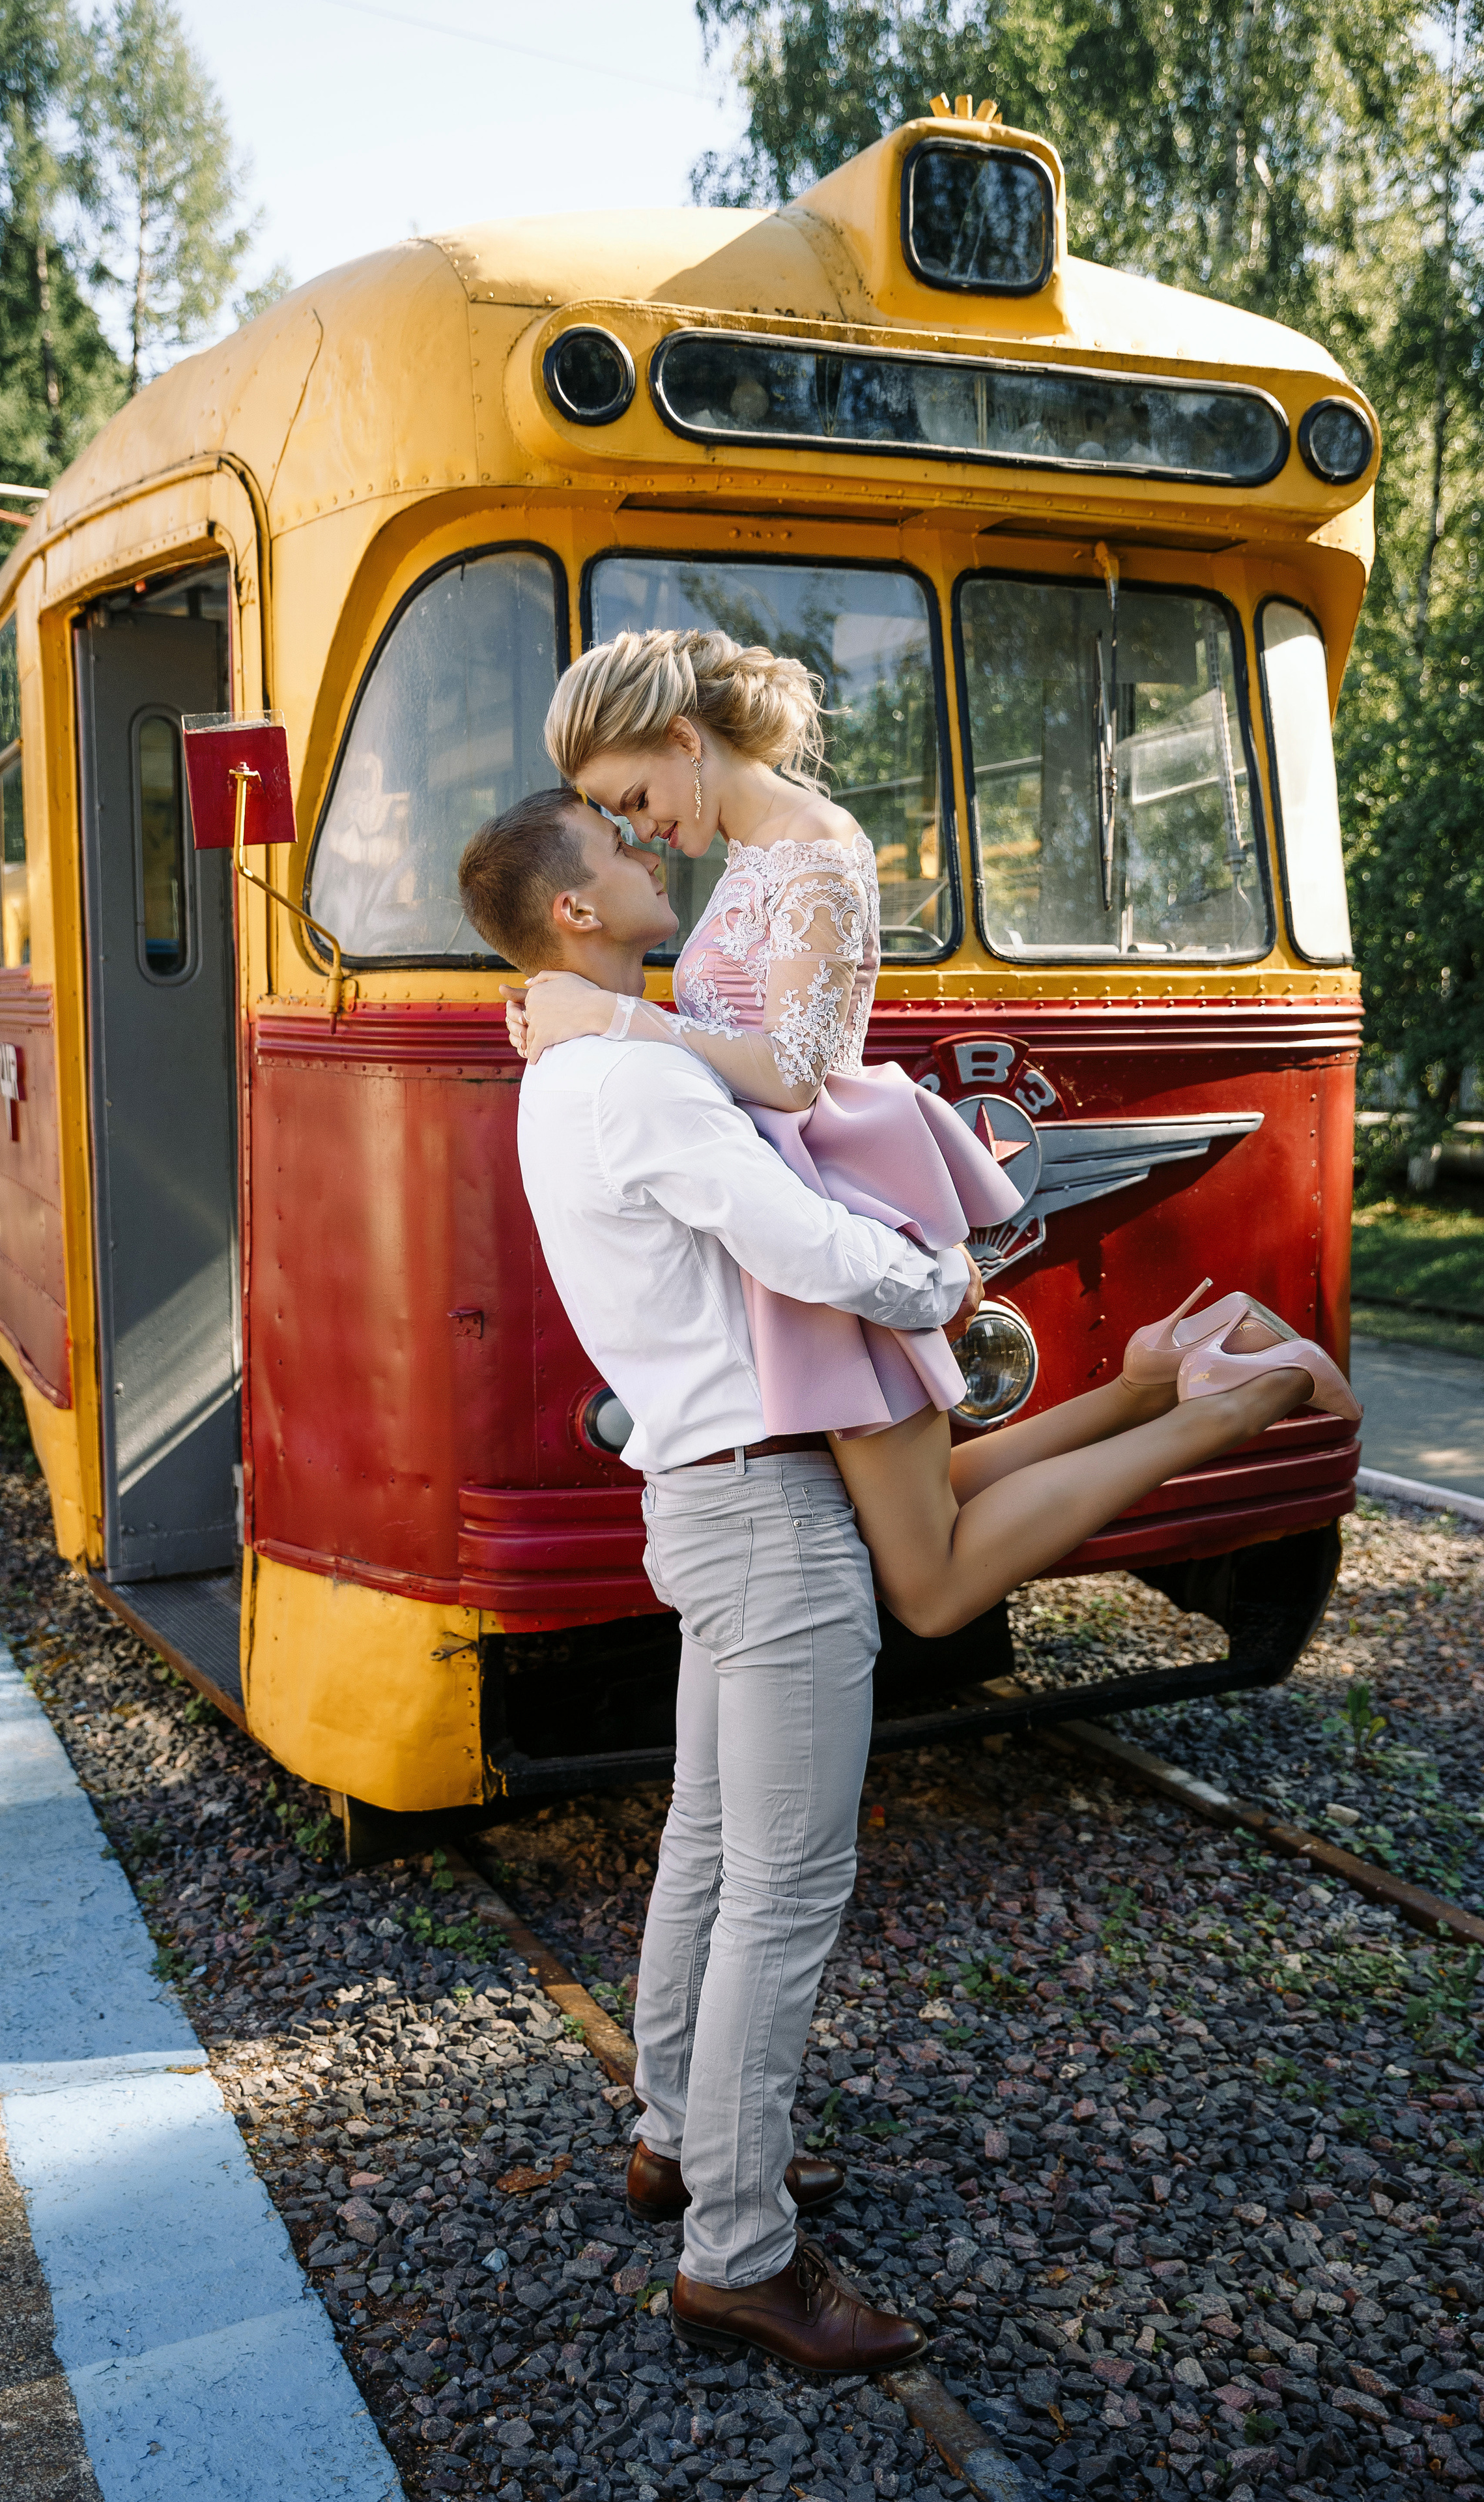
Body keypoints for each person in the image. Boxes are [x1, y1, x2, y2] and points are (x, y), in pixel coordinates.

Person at [456, 784, 1352, 2378]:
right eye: (618, 851)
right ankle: (739, 2257)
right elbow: (797, 1241)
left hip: (711, 1493)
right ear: (573, 911)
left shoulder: (578, 1071)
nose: (648, 851)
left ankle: (679, 2137)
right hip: (761, 1509)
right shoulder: (625, 1084)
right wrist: (941, 1275)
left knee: (713, 1848)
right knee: (781, 1890)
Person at [515, 624, 1359, 1637]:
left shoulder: (815, 850)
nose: (640, 830)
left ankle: (1242, 1398)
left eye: (636, 799)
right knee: (924, 1515)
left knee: (931, 1586)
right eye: (618, 818)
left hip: (840, 1214)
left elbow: (793, 1073)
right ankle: (1163, 1373)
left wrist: (616, 1021)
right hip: (804, 1223)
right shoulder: (755, 856)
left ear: (686, 742)